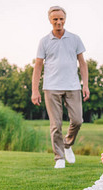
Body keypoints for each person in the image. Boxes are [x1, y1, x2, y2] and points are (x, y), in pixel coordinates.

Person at [32, 6, 90, 169]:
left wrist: (85, 84)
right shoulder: (44, 41)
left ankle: (67, 144)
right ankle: (59, 157)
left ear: (65, 19)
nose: (58, 22)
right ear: (50, 20)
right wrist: (35, 90)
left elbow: (82, 63)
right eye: (55, 19)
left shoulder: (75, 38)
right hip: (51, 87)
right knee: (55, 124)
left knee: (78, 120)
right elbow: (37, 67)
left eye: (61, 19)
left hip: (72, 86)